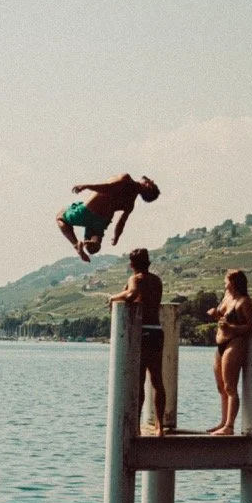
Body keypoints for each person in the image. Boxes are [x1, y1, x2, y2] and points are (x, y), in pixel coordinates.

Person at [108, 247, 167, 436]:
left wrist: (113, 297)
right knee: (157, 380)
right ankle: (160, 426)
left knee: (139, 380)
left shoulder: (136, 279)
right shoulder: (156, 280)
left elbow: (131, 294)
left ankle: (136, 426)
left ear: (131, 264)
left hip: (143, 332)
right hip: (157, 331)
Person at [56, 174, 160, 261]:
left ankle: (75, 244)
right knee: (91, 249)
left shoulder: (126, 179)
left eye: (152, 183)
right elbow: (121, 223)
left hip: (89, 211)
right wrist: (116, 238)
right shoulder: (130, 204)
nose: (151, 180)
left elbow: (108, 188)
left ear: (147, 186)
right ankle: (95, 239)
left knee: (60, 217)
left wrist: (86, 186)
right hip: (102, 220)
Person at [207, 270, 252, 436]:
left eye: (226, 281)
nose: (224, 284)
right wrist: (216, 314)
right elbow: (223, 319)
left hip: (235, 343)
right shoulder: (226, 297)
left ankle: (229, 426)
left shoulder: (244, 302)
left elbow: (251, 326)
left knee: (230, 387)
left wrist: (231, 328)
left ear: (233, 282)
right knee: (220, 386)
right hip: (220, 342)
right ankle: (223, 422)